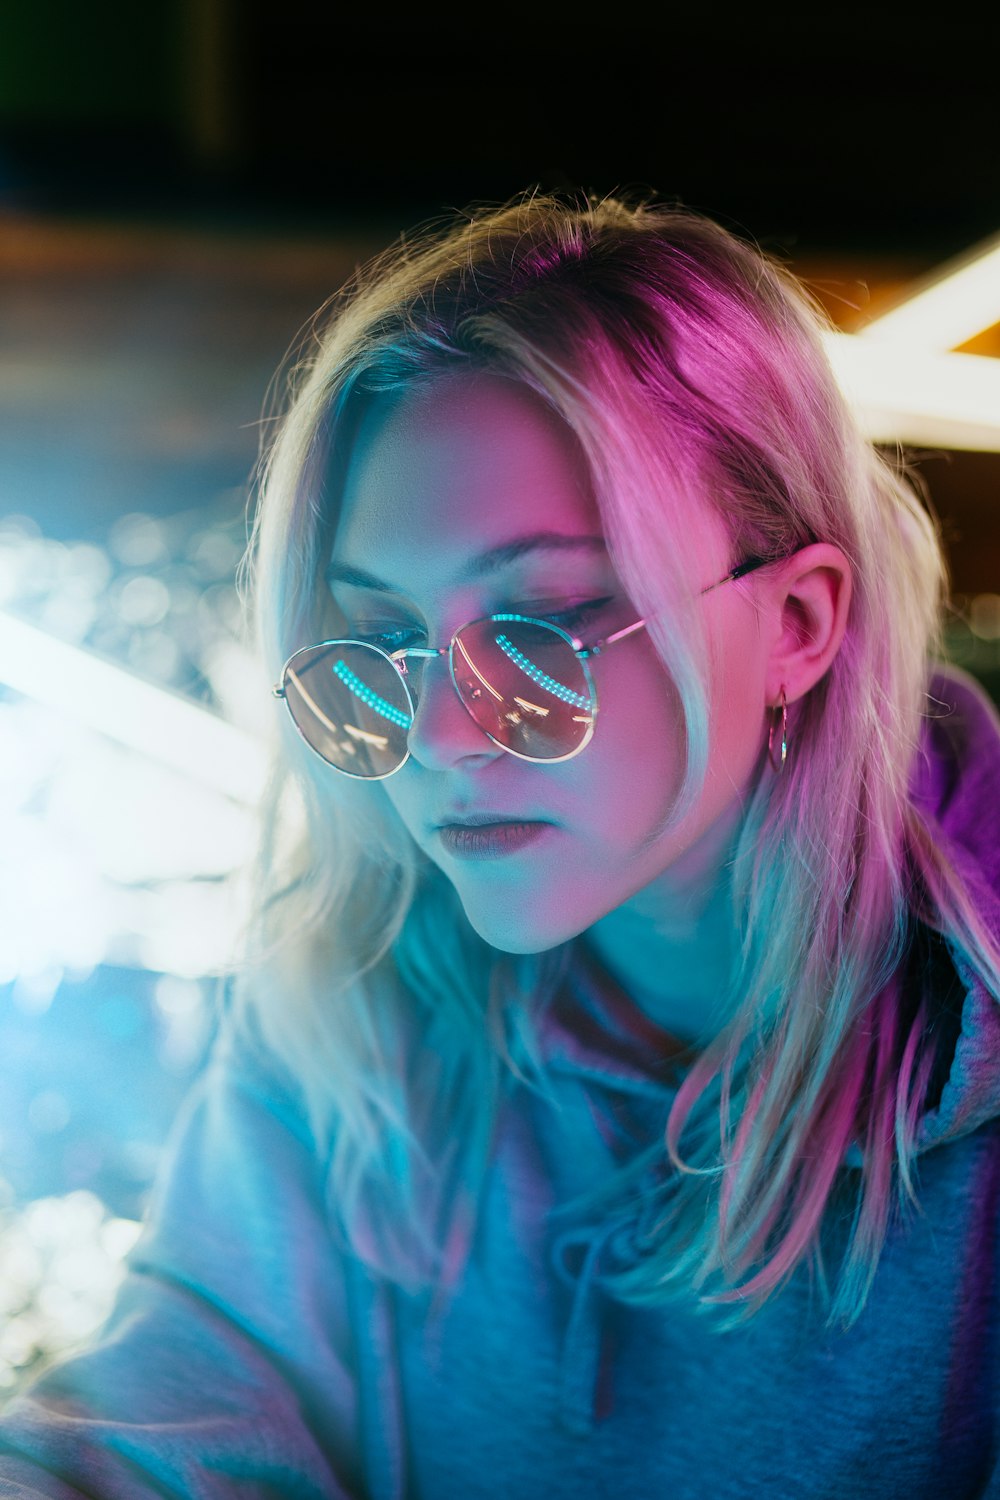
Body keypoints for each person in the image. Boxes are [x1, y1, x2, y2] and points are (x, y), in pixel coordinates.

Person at [1, 191, 999, 1498]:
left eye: (546, 620)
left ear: (800, 625)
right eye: (383, 635)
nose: (441, 732)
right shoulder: (352, 1006)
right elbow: (167, 1413)